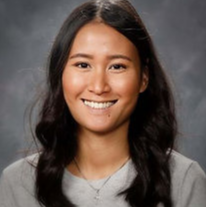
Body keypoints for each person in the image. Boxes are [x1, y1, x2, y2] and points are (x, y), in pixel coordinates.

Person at [0, 0, 206, 207]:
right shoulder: (17, 184)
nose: (99, 87)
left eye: (117, 66)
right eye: (83, 64)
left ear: (144, 77)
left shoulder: (183, 180)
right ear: (60, 73)